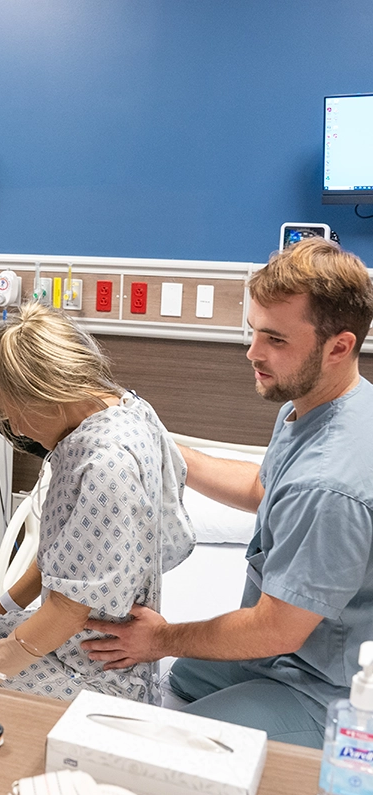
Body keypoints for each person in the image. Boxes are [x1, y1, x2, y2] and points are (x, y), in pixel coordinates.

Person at [82, 237, 373, 748]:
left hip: (332, 686)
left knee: (171, 744)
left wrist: (159, 638)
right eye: (253, 332)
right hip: (290, 646)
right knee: (183, 679)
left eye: (276, 341)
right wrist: (167, 451)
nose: (252, 353)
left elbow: (276, 630)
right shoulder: (316, 404)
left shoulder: (330, 484)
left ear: (339, 346)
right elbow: (265, 488)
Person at [0, 303, 195, 702]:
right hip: (65, 636)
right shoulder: (125, 407)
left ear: (47, 396)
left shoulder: (104, 465)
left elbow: (70, 608)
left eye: (13, 417)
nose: (16, 431)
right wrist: (6, 604)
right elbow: (68, 550)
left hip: (95, 669)